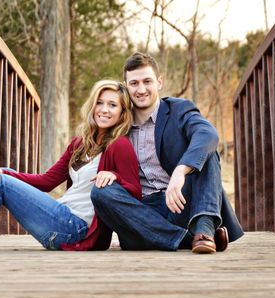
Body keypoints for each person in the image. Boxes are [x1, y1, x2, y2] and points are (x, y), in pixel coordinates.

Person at [0, 80, 141, 252]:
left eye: (112, 105)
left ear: (123, 114)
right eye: (100, 103)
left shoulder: (119, 146)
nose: (104, 110)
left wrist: (115, 177)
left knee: (0, 183)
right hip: (63, 218)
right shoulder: (79, 143)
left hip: (77, 230)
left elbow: (135, 195)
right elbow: (46, 182)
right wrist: (5, 172)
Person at [91, 52, 244, 254]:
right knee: (100, 191)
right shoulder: (119, 122)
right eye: (134, 83)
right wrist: (111, 175)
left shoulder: (179, 109)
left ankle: (204, 229)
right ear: (126, 86)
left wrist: (180, 171)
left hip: (180, 202)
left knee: (207, 153)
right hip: (143, 213)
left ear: (159, 82)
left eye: (147, 81)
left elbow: (208, 134)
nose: (141, 89)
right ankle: (185, 239)